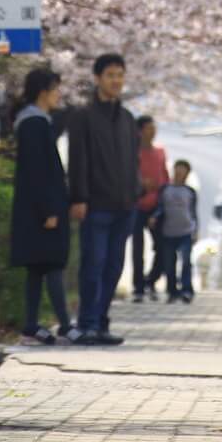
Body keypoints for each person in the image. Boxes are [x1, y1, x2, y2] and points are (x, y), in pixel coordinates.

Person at [68, 50, 139, 345]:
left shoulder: (126, 118)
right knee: (93, 265)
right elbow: (77, 160)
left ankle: (102, 321)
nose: (116, 81)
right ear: (97, 79)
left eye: (120, 75)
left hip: (125, 205)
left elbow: (132, 159)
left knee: (113, 267)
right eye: (110, 75)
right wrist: (78, 198)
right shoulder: (83, 116)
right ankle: (87, 323)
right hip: (96, 204)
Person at [9, 67, 77, 343]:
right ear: (43, 92)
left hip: (35, 207)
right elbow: (38, 171)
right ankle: (65, 324)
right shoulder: (34, 124)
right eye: (55, 89)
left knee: (38, 268)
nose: (59, 95)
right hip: (42, 209)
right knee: (52, 266)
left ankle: (32, 324)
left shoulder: (36, 121)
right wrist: (49, 209)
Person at [133, 115, 169, 302]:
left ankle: (151, 280)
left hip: (157, 206)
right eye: (148, 128)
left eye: (154, 128)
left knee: (162, 247)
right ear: (139, 131)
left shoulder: (161, 152)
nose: (152, 131)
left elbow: (165, 177)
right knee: (137, 249)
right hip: (137, 206)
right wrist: (141, 185)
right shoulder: (133, 153)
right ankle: (138, 287)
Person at [156, 159, 199, 303]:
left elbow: (193, 213)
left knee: (186, 261)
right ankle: (172, 291)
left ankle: (187, 290)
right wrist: (154, 217)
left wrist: (195, 231)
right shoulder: (165, 189)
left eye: (183, 170)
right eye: (177, 169)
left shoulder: (190, 192)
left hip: (186, 232)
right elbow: (160, 207)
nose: (179, 173)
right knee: (169, 264)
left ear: (187, 174)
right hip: (168, 232)